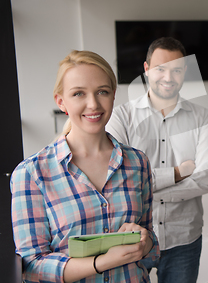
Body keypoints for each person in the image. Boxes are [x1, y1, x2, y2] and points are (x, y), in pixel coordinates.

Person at [11, 50, 159, 283]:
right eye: (79, 93)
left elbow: (150, 245)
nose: (93, 104)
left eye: (102, 91)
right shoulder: (31, 173)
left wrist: (146, 241)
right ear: (61, 102)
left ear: (113, 96)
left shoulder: (138, 163)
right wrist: (102, 262)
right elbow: (31, 266)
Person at [106, 37, 208, 283]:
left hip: (184, 239)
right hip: (133, 240)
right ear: (146, 69)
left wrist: (142, 190)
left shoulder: (204, 118)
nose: (168, 77)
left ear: (184, 72)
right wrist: (178, 173)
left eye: (176, 70)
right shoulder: (121, 118)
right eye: (160, 69)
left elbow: (204, 181)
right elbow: (119, 180)